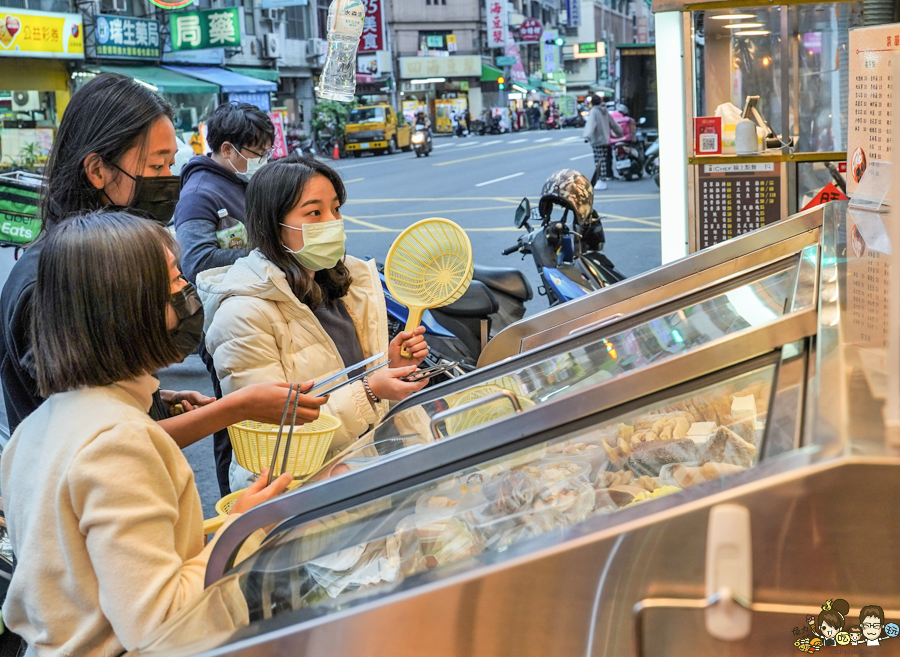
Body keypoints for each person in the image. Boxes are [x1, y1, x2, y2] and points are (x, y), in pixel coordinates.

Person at [0, 211, 295, 656]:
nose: (186, 295)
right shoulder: (120, 443)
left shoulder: (38, 428)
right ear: (127, 309)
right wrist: (245, 526)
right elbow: (161, 624)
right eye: (174, 283)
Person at [0, 73, 322, 445]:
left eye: (171, 164)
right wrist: (234, 408)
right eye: (156, 167)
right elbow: (98, 446)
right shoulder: (55, 282)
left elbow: (107, 403)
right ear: (97, 170)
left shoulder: (107, 260)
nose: (169, 181)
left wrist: (153, 401)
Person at [198, 153, 431, 492]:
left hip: (363, 475)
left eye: (335, 209)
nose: (332, 221)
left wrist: (390, 367)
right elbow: (272, 444)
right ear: (274, 224)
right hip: (301, 499)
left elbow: (358, 382)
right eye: (314, 212)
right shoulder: (242, 315)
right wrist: (370, 391)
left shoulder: (342, 287)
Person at [174, 102, 276, 497]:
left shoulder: (243, 183)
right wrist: (268, 253)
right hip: (223, 324)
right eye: (256, 152)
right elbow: (196, 261)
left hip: (254, 314)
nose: (262, 159)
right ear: (229, 149)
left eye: (267, 151)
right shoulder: (200, 193)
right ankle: (231, 503)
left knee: (255, 418)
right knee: (233, 421)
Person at [583, 93, 623, 191]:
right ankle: (602, 180)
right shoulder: (604, 111)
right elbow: (613, 123)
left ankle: (600, 181)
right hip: (605, 139)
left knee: (598, 161)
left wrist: (587, 136)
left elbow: (591, 125)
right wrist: (620, 133)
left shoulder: (594, 112)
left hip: (597, 140)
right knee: (603, 160)